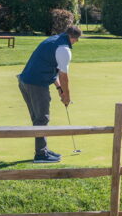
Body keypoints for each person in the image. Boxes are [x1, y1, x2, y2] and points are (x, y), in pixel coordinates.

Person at [17, 25, 82, 163]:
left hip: (25, 81)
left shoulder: (53, 40)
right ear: (73, 38)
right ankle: (40, 155)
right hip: (36, 83)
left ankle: (43, 149)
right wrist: (67, 96)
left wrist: (60, 90)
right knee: (42, 119)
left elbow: (52, 70)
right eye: (77, 40)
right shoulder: (64, 49)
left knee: (38, 119)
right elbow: (64, 76)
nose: (76, 42)